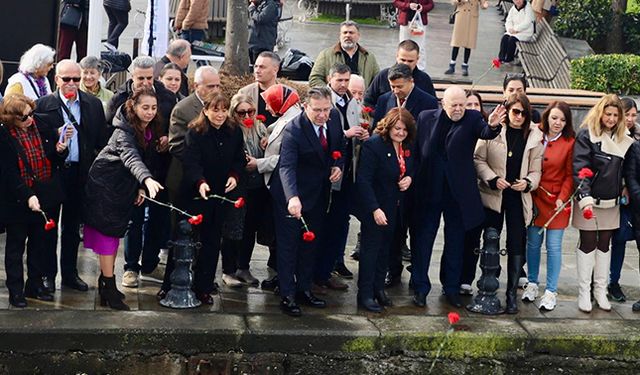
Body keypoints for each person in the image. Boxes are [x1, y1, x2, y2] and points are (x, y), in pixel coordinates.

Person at [412, 86, 505, 308]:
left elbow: (486, 131)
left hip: (458, 193)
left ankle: (451, 288)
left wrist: (492, 124)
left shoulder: (472, 118)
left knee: (455, 242)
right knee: (424, 240)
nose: (458, 109)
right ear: (443, 104)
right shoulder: (426, 117)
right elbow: (417, 150)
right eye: (453, 105)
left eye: (462, 105)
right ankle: (420, 288)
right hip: (430, 189)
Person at [82, 87, 164, 310]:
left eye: (153, 108)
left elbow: (146, 158)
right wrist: (146, 180)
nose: (149, 112)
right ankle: (109, 287)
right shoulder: (123, 132)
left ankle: (105, 283)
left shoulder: (150, 128)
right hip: (104, 187)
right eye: (145, 107)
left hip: (124, 187)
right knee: (108, 238)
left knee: (114, 236)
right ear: (133, 107)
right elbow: (132, 158)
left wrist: (140, 187)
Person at [269, 87, 345, 316]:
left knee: (310, 244)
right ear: (305, 107)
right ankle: (287, 294)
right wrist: (292, 198)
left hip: (318, 194)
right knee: (288, 246)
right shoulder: (294, 130)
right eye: (317, 110)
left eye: (326, 109)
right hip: (290, 195)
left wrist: (337, 166)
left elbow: (339, 146)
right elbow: (286, 166)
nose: (322, 115)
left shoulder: (332, 122)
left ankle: (304, 289)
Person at [34, 59, 109, 293]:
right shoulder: (42, 105)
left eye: (76, 79)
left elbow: (101, 141)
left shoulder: (93, 104)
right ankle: (48, 275)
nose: (72, 83)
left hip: (79, 173)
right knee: (49, 227)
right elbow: (38, 144)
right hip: (53, 172)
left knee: (72, 228)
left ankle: (69, 274)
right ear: (56, 79)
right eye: (66, 79)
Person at [474, 93, 543, 314]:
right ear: (507, 111)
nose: (519, 117)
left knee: (516, 242)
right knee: (491, 239)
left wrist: (529, 182)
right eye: (515, 111)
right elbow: (478, 158)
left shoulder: (534, 136)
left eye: (524, 113)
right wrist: (492, 178)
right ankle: (488, 287)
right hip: (494, 193)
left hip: (517, 195)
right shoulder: (493, 130)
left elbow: (536, 169)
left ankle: (511, 293)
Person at [109, 57, 175, 289]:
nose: (146, 83)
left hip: (159, 167)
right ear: (131, 77)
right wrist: (140, 180)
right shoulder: (119, 100)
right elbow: (117, 138)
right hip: (131, 171)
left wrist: (168, 138)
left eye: (150, 78)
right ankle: (130, 267)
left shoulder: (167, 97)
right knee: (133, 221)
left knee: (158, 220)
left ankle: (149, 261)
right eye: (140, 78)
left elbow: (174, 126)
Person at [0, 94, 71, 307]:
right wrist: (27, 195)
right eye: (24, 118)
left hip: (44, 193)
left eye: (31, 114)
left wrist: (60, 150)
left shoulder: (39, 126)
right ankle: (15, 289)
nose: (30, 119)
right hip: (18, 200)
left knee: (40, 243)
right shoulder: (4, 136)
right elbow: (8, 173)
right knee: (16, 246)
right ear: (11, 118)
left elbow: (50, 157)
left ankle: (35, 283)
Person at [159, 66, 221, 299]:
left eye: (217, 85)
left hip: (210, 181)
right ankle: (170, 283)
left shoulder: (220, 107)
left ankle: (203, 282)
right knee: (181, 232)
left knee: (208, 236)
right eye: (210, 86)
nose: (215, 90)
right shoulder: (184, 109)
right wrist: (204, 159)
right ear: (197, 86)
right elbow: (176, 145)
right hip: (184, 180)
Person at [182, 94, 246, 305]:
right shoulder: (195, 131)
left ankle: (204, 286)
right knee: (186, 239)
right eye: (215, 110)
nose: (220, 115)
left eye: (224, 110)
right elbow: (191, 162)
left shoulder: (234, 131)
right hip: (198, 193)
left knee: (211, 242)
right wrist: (199, 181)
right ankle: (173, 283)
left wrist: (234, 176)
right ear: (206, 110)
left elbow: (239, 158)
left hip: (221, 193)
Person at [573, 94, 633, 313]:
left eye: (615, 115)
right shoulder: (586, 135)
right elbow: (580, 169)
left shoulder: (624, 138)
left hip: (611, 202)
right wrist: (585, 198)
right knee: (588, 244)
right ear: (600, 113)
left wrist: (625, 185)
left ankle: (600, 291)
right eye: (608, 114)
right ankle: (583, 292)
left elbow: (628, 168)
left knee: (604, 245)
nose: (611, 118)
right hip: (589, 200)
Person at [313, 63, 368, 290]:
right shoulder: (324, 102)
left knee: (341, 220)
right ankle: (320, 269)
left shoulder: (353, 102)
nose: (344, 85)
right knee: (324, 221)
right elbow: (322, 133)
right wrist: (346, 134)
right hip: (327, 172)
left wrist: (363, 133)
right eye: (340, 80)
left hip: (348, 170)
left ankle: (333, 264)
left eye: (347, 81)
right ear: (330, 78)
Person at [355, 107, 415, 312]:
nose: (401, 133)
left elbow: (411, 166)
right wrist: (374, 209)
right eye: (397, 128)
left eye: (405, 130)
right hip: (377, 208)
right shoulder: (374, 145)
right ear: (388, 126)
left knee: (386, 251)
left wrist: (409, 178)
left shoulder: (406, 145)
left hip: (396, 208)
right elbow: (363, 180)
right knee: (370, 251)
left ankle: (379, 289)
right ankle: (365, 294)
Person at [522, 101, 575, 311]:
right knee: (533, 243)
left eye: (562, 120)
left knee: (553, 246)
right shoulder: (535, 133)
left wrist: (563, 197)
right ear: (547, 117)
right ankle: (532, 283)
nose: (557, 123)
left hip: (557, 201)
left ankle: (551, 290)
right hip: (534, 197)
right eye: (554, 118)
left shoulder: (570, 142)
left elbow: (570, 174)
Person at [255, 84, 302, 291]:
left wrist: (257, 164)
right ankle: (281, 276)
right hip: (276, 185)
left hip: (284, 186)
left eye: (268, 102)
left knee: (285, 237)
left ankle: (286, 279)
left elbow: (286, 158)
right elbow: (277, 130)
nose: (266, 107)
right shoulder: (288, 116)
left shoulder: (294, 121)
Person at [219, 94, 269, 287]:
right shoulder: (230, 130)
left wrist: (266, 143)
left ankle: (243, 266)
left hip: (257, 185)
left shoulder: (260, 128)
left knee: (250, 228)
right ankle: (228, 270)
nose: (247, 115)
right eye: (242, 112)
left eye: (251, 111)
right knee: (232, 228)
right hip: (237, 185)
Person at [610, 97, 640, 303]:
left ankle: (614, 281)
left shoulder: (636, 138)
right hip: (611, 193)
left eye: (633, 115)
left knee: (622, 237)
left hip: (631, 198)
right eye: (627, 114)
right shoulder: (610, 134)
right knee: (612, 240)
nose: (629, 119)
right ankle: (608, 281)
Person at [364, 40, 435, 107]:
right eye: (403, 60)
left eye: (410, 61)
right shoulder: (383, 76)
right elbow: (368, 101)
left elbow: (432, 105)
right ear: (397, 57)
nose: (406, 64)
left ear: (417, 59)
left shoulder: (424, 79)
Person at [308, 21, 380, 88]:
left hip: (361, 99)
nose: (348, 35)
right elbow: (314, 79)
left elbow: (379, 81)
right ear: (340, 35)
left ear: (358, 35)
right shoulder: (325, 55)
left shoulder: (369, 57)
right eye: (345, 32)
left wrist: (368, 97)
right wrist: (330, 93)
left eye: (351, 33)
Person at [373, 63, 437, 127]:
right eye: (393, 86)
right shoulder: (383, 100)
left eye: (400, 87)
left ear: (411, 81)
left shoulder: (428, 102)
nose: (396, 91)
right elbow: (376, 130)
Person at [445, 0, 490, 77]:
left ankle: (465, 65)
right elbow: (453, 2)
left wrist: (485, 5)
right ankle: (452, 65)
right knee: (456, 41)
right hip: (461, 14)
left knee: (469, 43)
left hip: (472, 17)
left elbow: (483, 3)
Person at [238, 51, 281, 127]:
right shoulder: (244, 93)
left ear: (275, 70)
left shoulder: (286, 95)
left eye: (262, 67)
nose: (257, 71)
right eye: (256, 66)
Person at [393, 0, 434, 70]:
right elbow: (396, 2)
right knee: (403, 45)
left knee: (420, 47)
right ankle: (400, 68)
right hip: (405, 22)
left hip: (420, 23)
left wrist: (422, 8)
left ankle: (421, 69)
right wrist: (408, 5)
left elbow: (431, 5)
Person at [248, 0, 280, 65]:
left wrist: (252, 8)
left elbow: (261, 18)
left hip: (263, 43)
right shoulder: (258, 4)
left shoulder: (270, 5)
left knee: (261, 66)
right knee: (254, 65)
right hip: (253, 42)